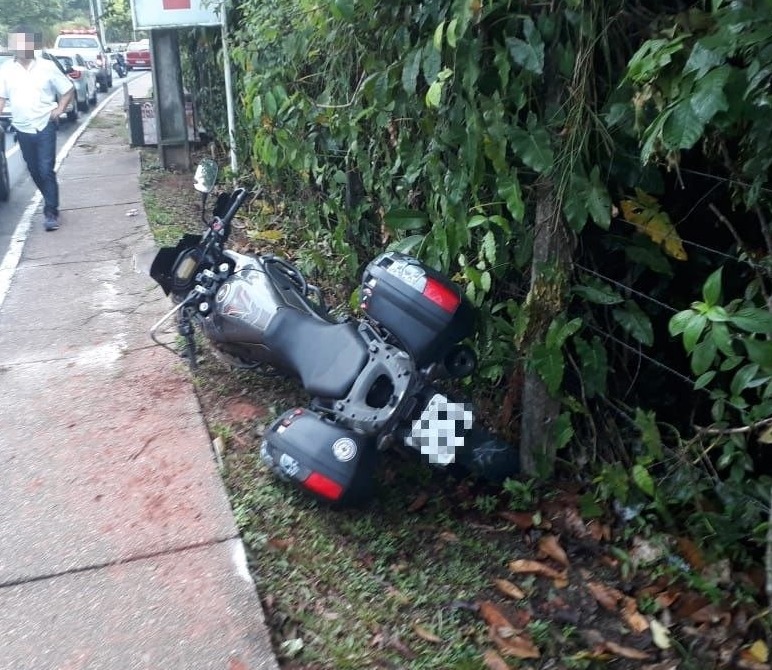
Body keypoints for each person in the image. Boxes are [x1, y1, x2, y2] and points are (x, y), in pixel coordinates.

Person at [0, 25, 74, 231]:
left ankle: (51, 211)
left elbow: (67, 89)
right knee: (34, 170)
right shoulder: (5, 71)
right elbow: (1, 98)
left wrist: (59, 109)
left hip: (45, 125)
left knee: (45, 169)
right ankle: (50, 197)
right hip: (22, 127)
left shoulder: (47, 67)